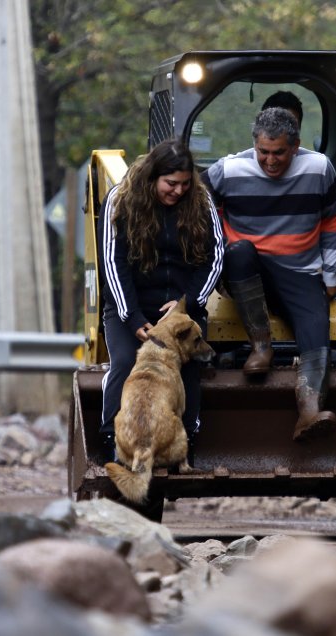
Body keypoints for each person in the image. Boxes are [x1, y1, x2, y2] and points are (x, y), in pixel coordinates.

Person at [205, 107, 336, 442]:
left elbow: (333, 221)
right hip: (245, 270)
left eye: (279, 152)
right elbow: (198, 212)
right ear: (254, 145)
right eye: (263, 152)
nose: (270, 160)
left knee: (315, 324)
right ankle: (261, 346)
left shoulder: (320, 168)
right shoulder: (227, 170)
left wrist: (332, 276)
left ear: (295, 146)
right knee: (240, 251)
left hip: (300, 269)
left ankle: (309, 409)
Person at [94, 139, 224, 463]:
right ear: (152, 177)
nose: (178, 191)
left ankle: (187, 437)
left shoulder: (201, 200)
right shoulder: (119, 201)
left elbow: (216, 256)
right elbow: (113, 263)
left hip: (181, 306)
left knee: (190, 365)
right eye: (170, 184)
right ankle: (112, 438)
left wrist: (190, 301)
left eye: (184, 184)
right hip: (131, 305)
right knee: (125, 362)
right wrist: (132, 317)